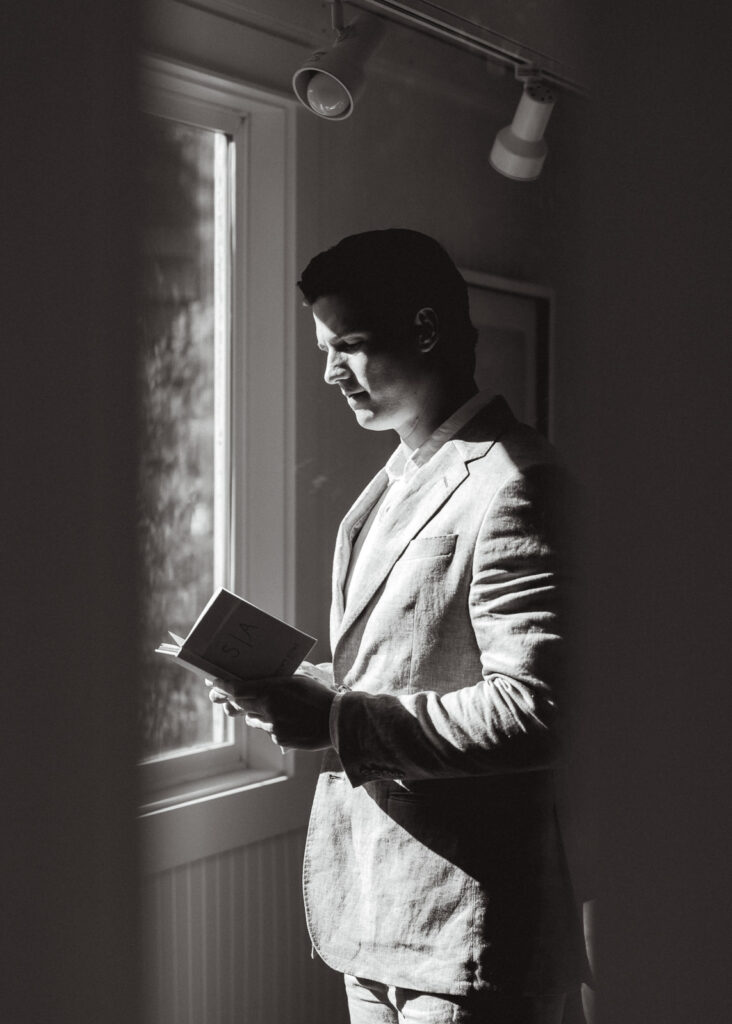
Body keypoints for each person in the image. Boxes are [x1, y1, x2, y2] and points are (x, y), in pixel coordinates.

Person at [209, 229, 587, 1023]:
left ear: (425, 330)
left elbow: (536, 710)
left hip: (467, 925)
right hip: (374, 915)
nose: (328, 373)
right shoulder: (389, 484)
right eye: (324, 348)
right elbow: (410, 673)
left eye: (348, 344)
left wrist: (338, 718)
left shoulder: (517, 480)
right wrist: (298, 691)